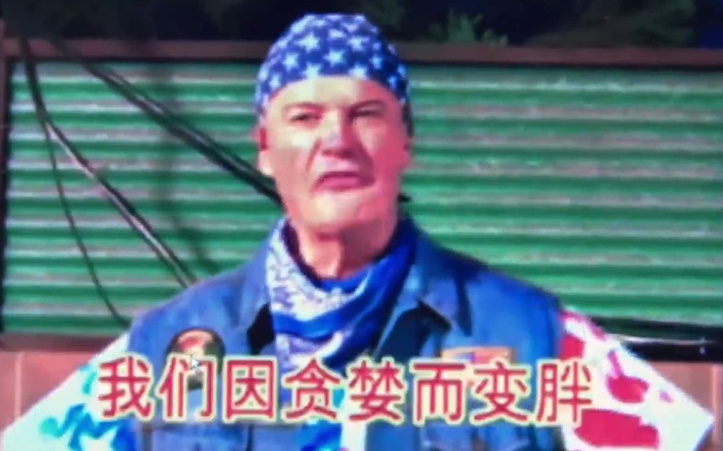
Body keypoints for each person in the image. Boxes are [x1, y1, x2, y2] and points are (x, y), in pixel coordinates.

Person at [123, 13, 714, 451]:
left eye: (365, 114)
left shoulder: (531, 333)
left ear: (406, 140)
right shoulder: (166, 342)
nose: (337, 140)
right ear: (263, 149)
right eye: (305, 117)